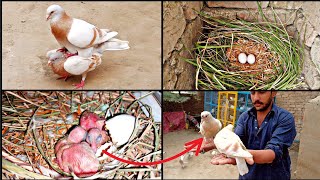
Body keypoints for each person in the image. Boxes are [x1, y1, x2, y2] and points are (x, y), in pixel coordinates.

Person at [185, 91, 296, 179]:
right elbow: (234, 140)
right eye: (252, 93)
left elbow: (273, 153)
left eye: (261, 92)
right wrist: (209, 146)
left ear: (274, 92)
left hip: (274, 176)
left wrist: (239, 154)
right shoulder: (245, 117)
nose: (256, 98)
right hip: (247, 175)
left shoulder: (285, 118)